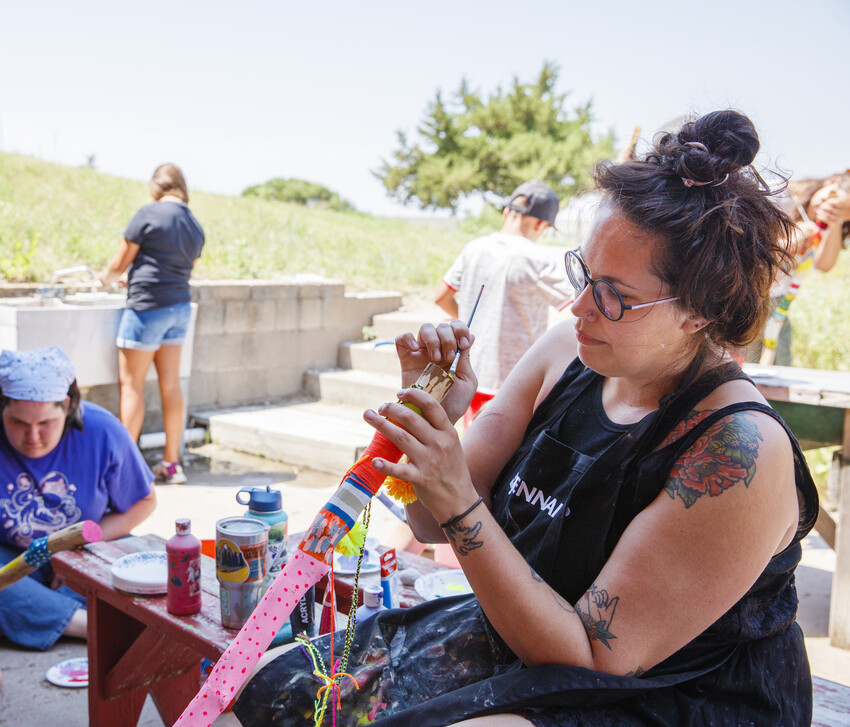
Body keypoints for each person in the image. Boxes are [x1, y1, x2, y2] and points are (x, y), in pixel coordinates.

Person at [229, 110, 818, 725]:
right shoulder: (567, 351)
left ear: (701, 309)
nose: (580, 305)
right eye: (584, 272)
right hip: (524, 643)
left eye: (616, 294)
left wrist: (460, 502)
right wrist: (430, 419)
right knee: (273, 689)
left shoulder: (738, 450)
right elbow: (430, 522)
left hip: (668, 695)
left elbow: (588, 658)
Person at [0, 346, 156, 652]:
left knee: (140, 568)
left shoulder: (103, 430)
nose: (33, 437)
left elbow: (144, 501)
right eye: (18, 423)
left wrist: (75, 546)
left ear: (67, 406)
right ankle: (87, 626)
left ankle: (7, 621)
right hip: (6, 560)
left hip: (83, 550)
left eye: (45, 423)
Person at [99, 163, 205, 484]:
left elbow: (118, 264)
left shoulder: (148, 214)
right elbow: (180, 267)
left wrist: (105, 279)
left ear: (156, 187)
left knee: (132, 386)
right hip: (179, 308)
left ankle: (124, 471)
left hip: (147, 308)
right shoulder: (195, 226)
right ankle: (172, 465)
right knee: (171, 384)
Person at [434, 181, 570, 423]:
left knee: (470, 447)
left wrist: (463, 323)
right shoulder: (538, 257)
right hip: (517, 381)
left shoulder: (473, 248)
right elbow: (573, 306)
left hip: (468, 371)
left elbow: (441, 296)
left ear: (507, 212)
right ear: (541, 224)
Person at [750, 172, 850, 364]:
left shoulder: (825, 224)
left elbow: (824, 264)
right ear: (832, 182)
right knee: (743, 364)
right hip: (746, 295)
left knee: (778, 363)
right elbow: (747, 249)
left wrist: (834, 223)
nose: (831, 210)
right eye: (835, 203)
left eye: (843, 214)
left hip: (777, 302)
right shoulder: (777, 194)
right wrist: (787, 242)